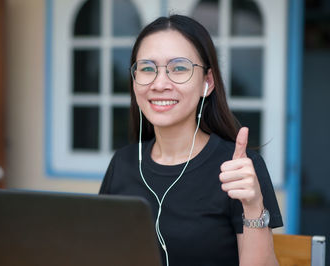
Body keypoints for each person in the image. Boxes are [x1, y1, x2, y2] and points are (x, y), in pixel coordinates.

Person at [99, 14, 283, 266]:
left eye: (179, 68)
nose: (159, 83)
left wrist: (253, 206)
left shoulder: (240, 168)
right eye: (147, 68)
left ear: (207, 82)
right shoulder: (122, 163)